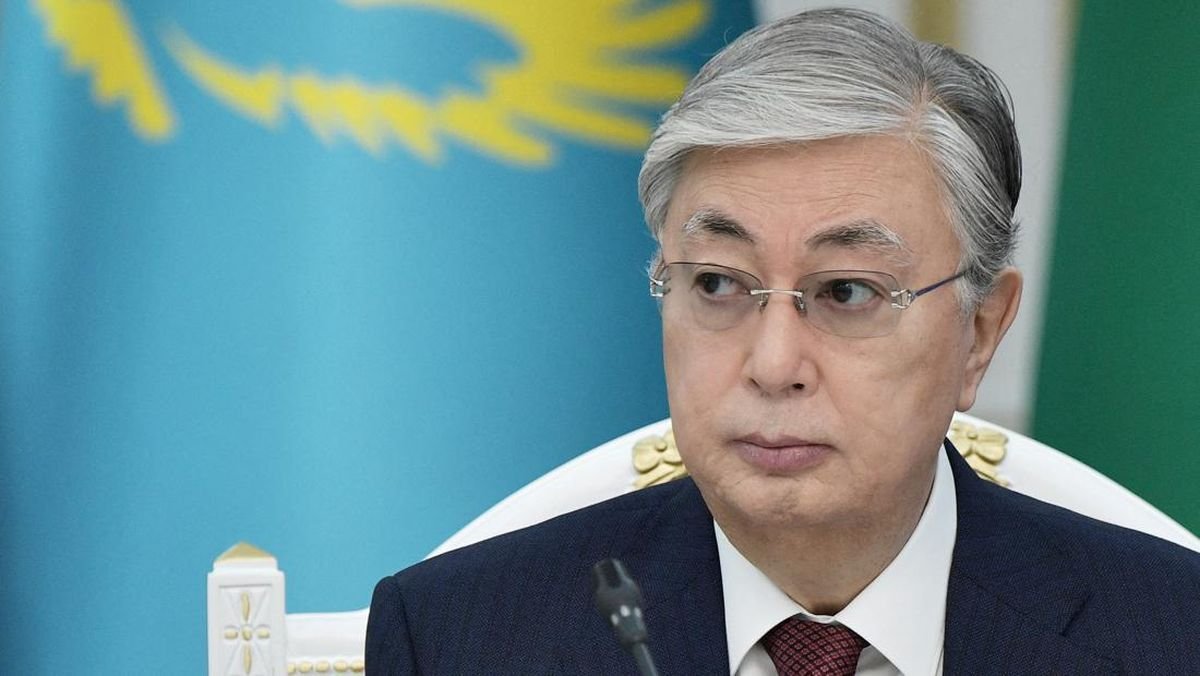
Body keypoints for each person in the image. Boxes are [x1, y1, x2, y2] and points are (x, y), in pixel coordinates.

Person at [366, 8, 1200, 674]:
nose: (772, 366)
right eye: (717, 284)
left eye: (846, 292)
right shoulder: (456, 636)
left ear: (979, 333)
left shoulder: (1171, 634)